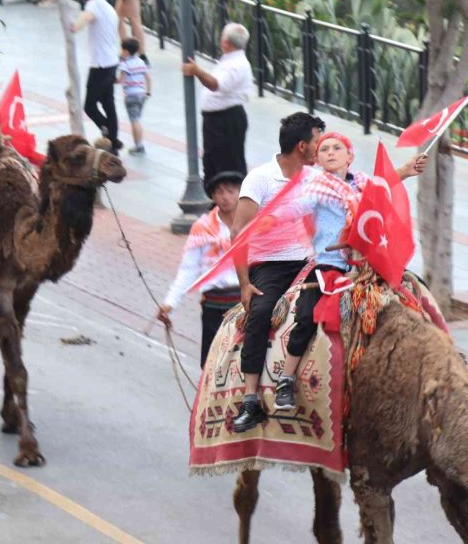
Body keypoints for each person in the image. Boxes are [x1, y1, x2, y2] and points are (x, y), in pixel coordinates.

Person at [271, 132, 428, 410]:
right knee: (306, 315)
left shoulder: (363, 184)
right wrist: (271, 217)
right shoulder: (316, 188)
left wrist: (406, 169)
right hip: (329, 264)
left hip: (367, 263)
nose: (331, 152)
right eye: (324, 149)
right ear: (318, 160)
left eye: (337, 148)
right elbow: (297, 207)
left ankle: (434, 353)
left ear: (349, 156)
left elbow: (384, 185)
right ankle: (286, 379)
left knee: (415, 293)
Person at [230, 112, 324, 433]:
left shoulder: (316, 177)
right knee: (259, 314)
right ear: (302, 146)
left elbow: (357, 188)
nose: (321, 148)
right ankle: (250, 400)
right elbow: (238, 231)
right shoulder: (260, 179)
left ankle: (289, 377)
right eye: (317, 142)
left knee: (325, 308)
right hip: (270, 264)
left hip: (311, 262)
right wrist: (244, 283)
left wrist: (403, 172)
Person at [156, 171, 244, 368]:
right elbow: (188, 269)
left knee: (245, 363)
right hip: (213, 305)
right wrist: (170, 303)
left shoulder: (252, 224)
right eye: (219, 192)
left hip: (245, 304)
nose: (225, 197)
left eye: (231, 191)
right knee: (212, 363)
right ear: (213, 196)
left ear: (240, 193)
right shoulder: (202, 227)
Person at [181, 23, 253, 193]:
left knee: (227, 164)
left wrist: (196, 71)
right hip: (216, 120)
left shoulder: (236, 64)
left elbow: (216, 84)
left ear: (226, 43)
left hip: (226, 119)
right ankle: (215, 199)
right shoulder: (230, 60)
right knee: (212, 161)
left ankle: (233, 200)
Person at [71, 0, 122, 154]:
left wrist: (74, 26)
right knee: (108, 103)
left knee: (90, 105)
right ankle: (113, 142)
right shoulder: (108, 7)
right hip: (111, 61)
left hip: (100, 64)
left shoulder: (93, 5)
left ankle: (108, 132)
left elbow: (86, 18)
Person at [117, 37, 151, 155]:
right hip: (141, 94)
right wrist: (148, 92)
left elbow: (121, 79)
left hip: (131, 95)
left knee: (134, 120)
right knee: (137, 119)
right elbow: (148, 78)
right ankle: (139, 144)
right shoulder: (141, 62)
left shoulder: (125, 64)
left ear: (126, 51)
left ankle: (138, 146)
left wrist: (113, 80)